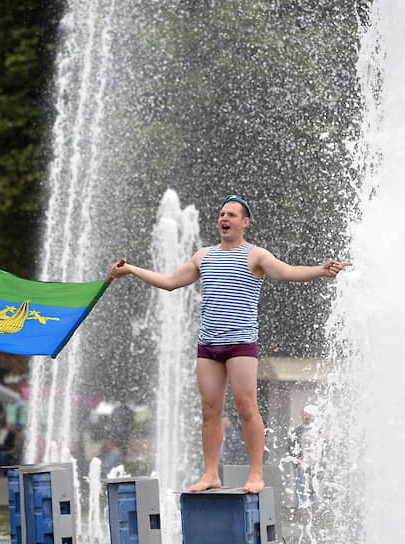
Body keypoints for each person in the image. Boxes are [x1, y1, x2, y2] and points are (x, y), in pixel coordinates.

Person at [110, 195, 351, 493]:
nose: (225, 218)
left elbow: (287, 272)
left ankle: (256, 474)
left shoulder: (256, 255)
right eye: (222, 214)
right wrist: (132, 269)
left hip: (241, 345)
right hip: (208, 346)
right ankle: (211, 474)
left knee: (246, 406)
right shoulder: (203, 256)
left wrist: (320, 270)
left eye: (232, 215)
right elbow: (171, 281)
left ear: (245, 222)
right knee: (210, 411)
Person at [288, 404, 320, 509]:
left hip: (313, 464)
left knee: (313, 486)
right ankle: (300, 507)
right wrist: (296, 459)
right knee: (300, 485)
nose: (306, 417)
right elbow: (291, 445)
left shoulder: (317, 430)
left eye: (308, 415)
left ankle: (313, 507)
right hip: (301, 464)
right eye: (304, 415)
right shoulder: (297, 430)